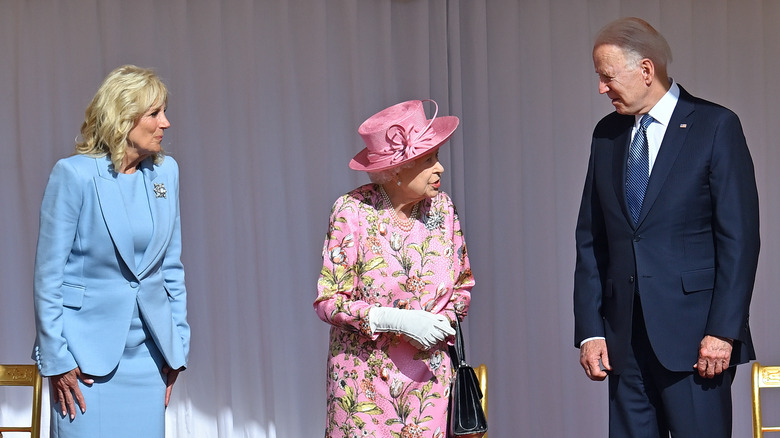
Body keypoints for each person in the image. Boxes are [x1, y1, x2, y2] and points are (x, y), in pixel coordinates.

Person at [573, 17, 760, 437]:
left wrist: (722, 332)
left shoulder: (715, 127)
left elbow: (739, 240)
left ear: (645, 70)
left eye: (608, 77)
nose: (601, 88)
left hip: (697, 345)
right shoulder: (607, 135)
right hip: (624, 346)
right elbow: (591, 239)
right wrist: (590, 332)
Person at [32, 65, 190, 437]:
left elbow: (171, 268)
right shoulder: (73, 175)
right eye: (154, 113)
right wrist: (57, 359)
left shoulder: (166, 174)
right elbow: (48, 278)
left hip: (149, 360)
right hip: (83, 366)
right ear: (123, 117)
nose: (165, 123)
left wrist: (177, 347)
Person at [314, 99, 475, 437]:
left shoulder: (443, 209)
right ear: (396, 169)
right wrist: (397, 319)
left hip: (430, 388)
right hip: (363, 391)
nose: (440, 168)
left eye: (437, 157)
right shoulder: (352, 211)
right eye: (428, 159)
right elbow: (329, 300)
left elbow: (462, 284)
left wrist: (441, 321)